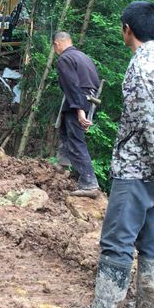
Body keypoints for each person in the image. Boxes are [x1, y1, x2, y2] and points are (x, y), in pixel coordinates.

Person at [69, 1, 154, 308]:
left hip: (137, 169)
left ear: (127, 29)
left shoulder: (140, 68)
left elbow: (148, 123)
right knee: (153, 239)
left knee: (117, 239)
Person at [53, 31, 101, 197]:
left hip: (78, 99)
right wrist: (87, 110)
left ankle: (89, 184)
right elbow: (94, 83)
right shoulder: (83, 57)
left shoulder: (65, 59)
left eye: (54, 48)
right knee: (66, 132)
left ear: (57, 44)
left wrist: (80, 111)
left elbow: (71, 85)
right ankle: (62, 164)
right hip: (89, 99)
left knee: (75, 140)